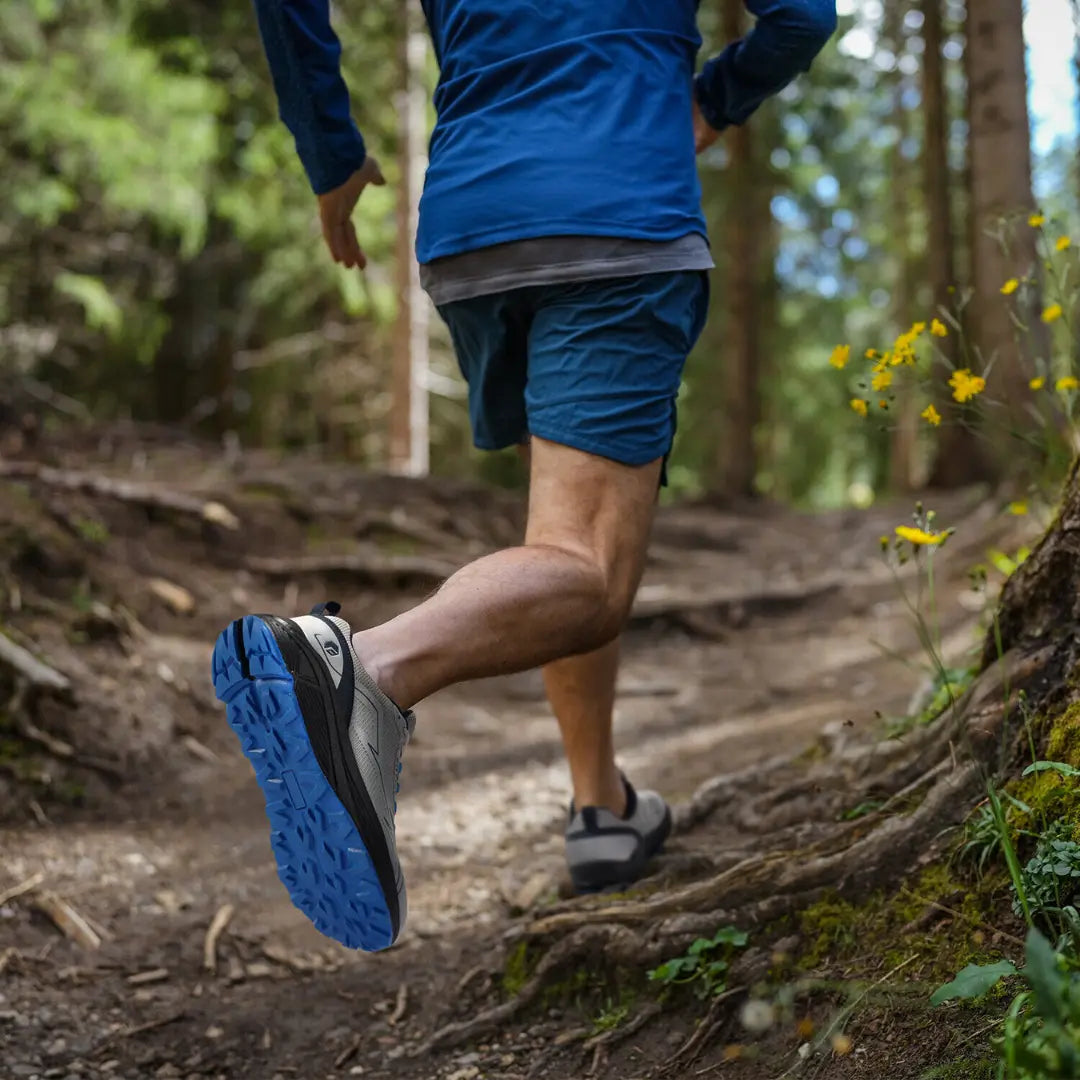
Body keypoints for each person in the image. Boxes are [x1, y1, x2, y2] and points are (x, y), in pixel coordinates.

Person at [211, 0, 837, 952]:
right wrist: (710, 98)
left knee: (558, 539)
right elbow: (801, 13)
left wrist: (331, 154)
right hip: (617, 213)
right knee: (586, 573)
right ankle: (361, 671)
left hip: (475, 225)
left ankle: (600, 809)